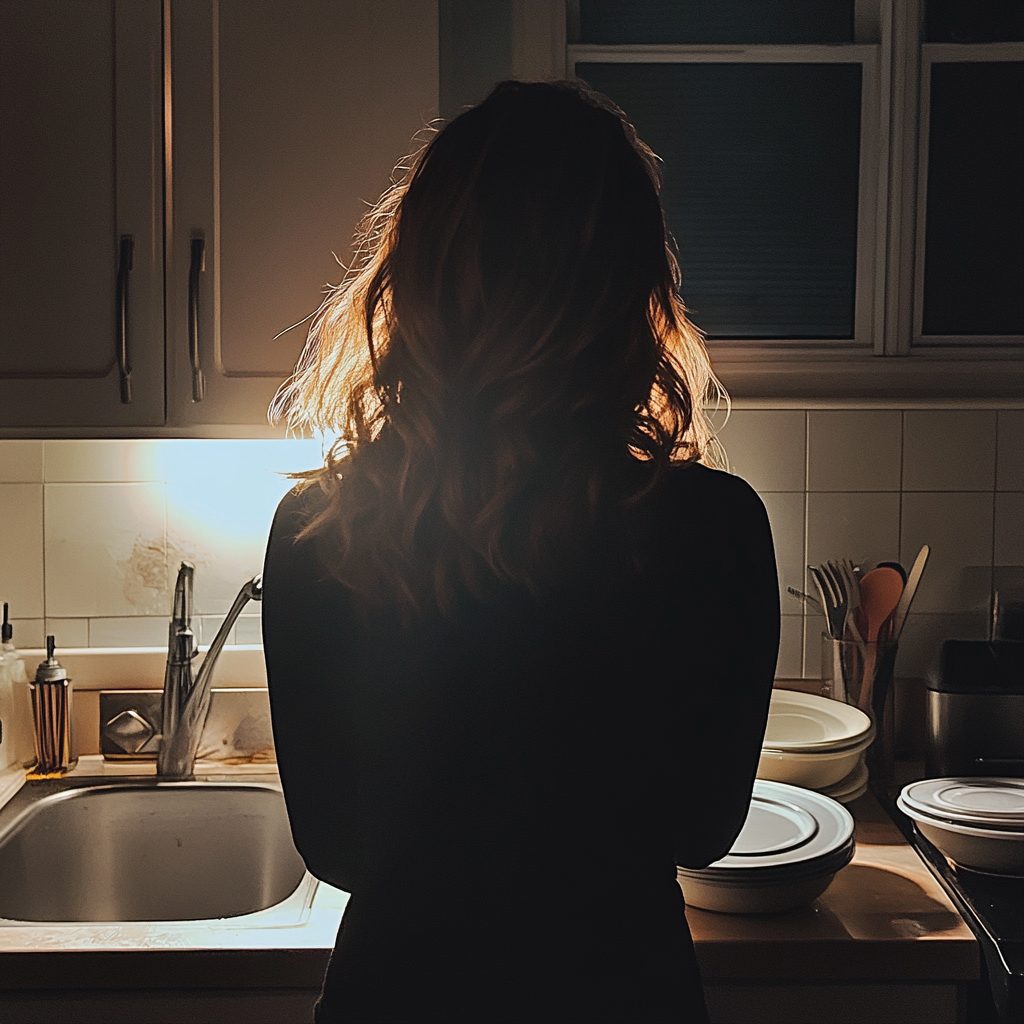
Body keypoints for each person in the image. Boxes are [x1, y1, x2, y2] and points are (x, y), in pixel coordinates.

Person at [262, 80, 779, 1024]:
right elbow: (706, 830)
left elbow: (335, 847)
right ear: (635, 292)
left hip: (400, 992)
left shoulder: (319, 532)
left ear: (414, 278)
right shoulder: (715, 528)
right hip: (621, 990)